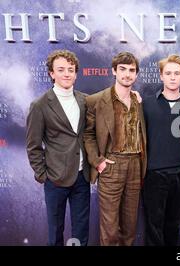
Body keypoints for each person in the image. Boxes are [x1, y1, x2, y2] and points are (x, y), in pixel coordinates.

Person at [26, 49, 90, 246]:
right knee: (55, 232)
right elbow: (33, 145)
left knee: (81, 231)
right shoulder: (40, 105)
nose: (67, 74)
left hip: (81, 177)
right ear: (52, 73)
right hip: (55, 179)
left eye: (71, 70)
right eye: (61, 70)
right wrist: (43, 175)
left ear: (76, 73)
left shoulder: (84, 100)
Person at [83, 51, 146, 246]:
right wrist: (98, 161)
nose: (127, 74)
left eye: (132, 70)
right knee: (109, 229)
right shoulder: (96, 101)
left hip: (135, 164)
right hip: (111, 165)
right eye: (123, 69)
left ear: (136, 74)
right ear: (114, 71)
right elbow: (88, 134)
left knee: (129, 227)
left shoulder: (138, 101)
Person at [141, 54, 180, 246]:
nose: (172, 77)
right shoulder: (146, 103)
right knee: (154, 226)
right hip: (154, 175)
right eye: (168, 73)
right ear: (161, 76)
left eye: (176, 73)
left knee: (173, 226)